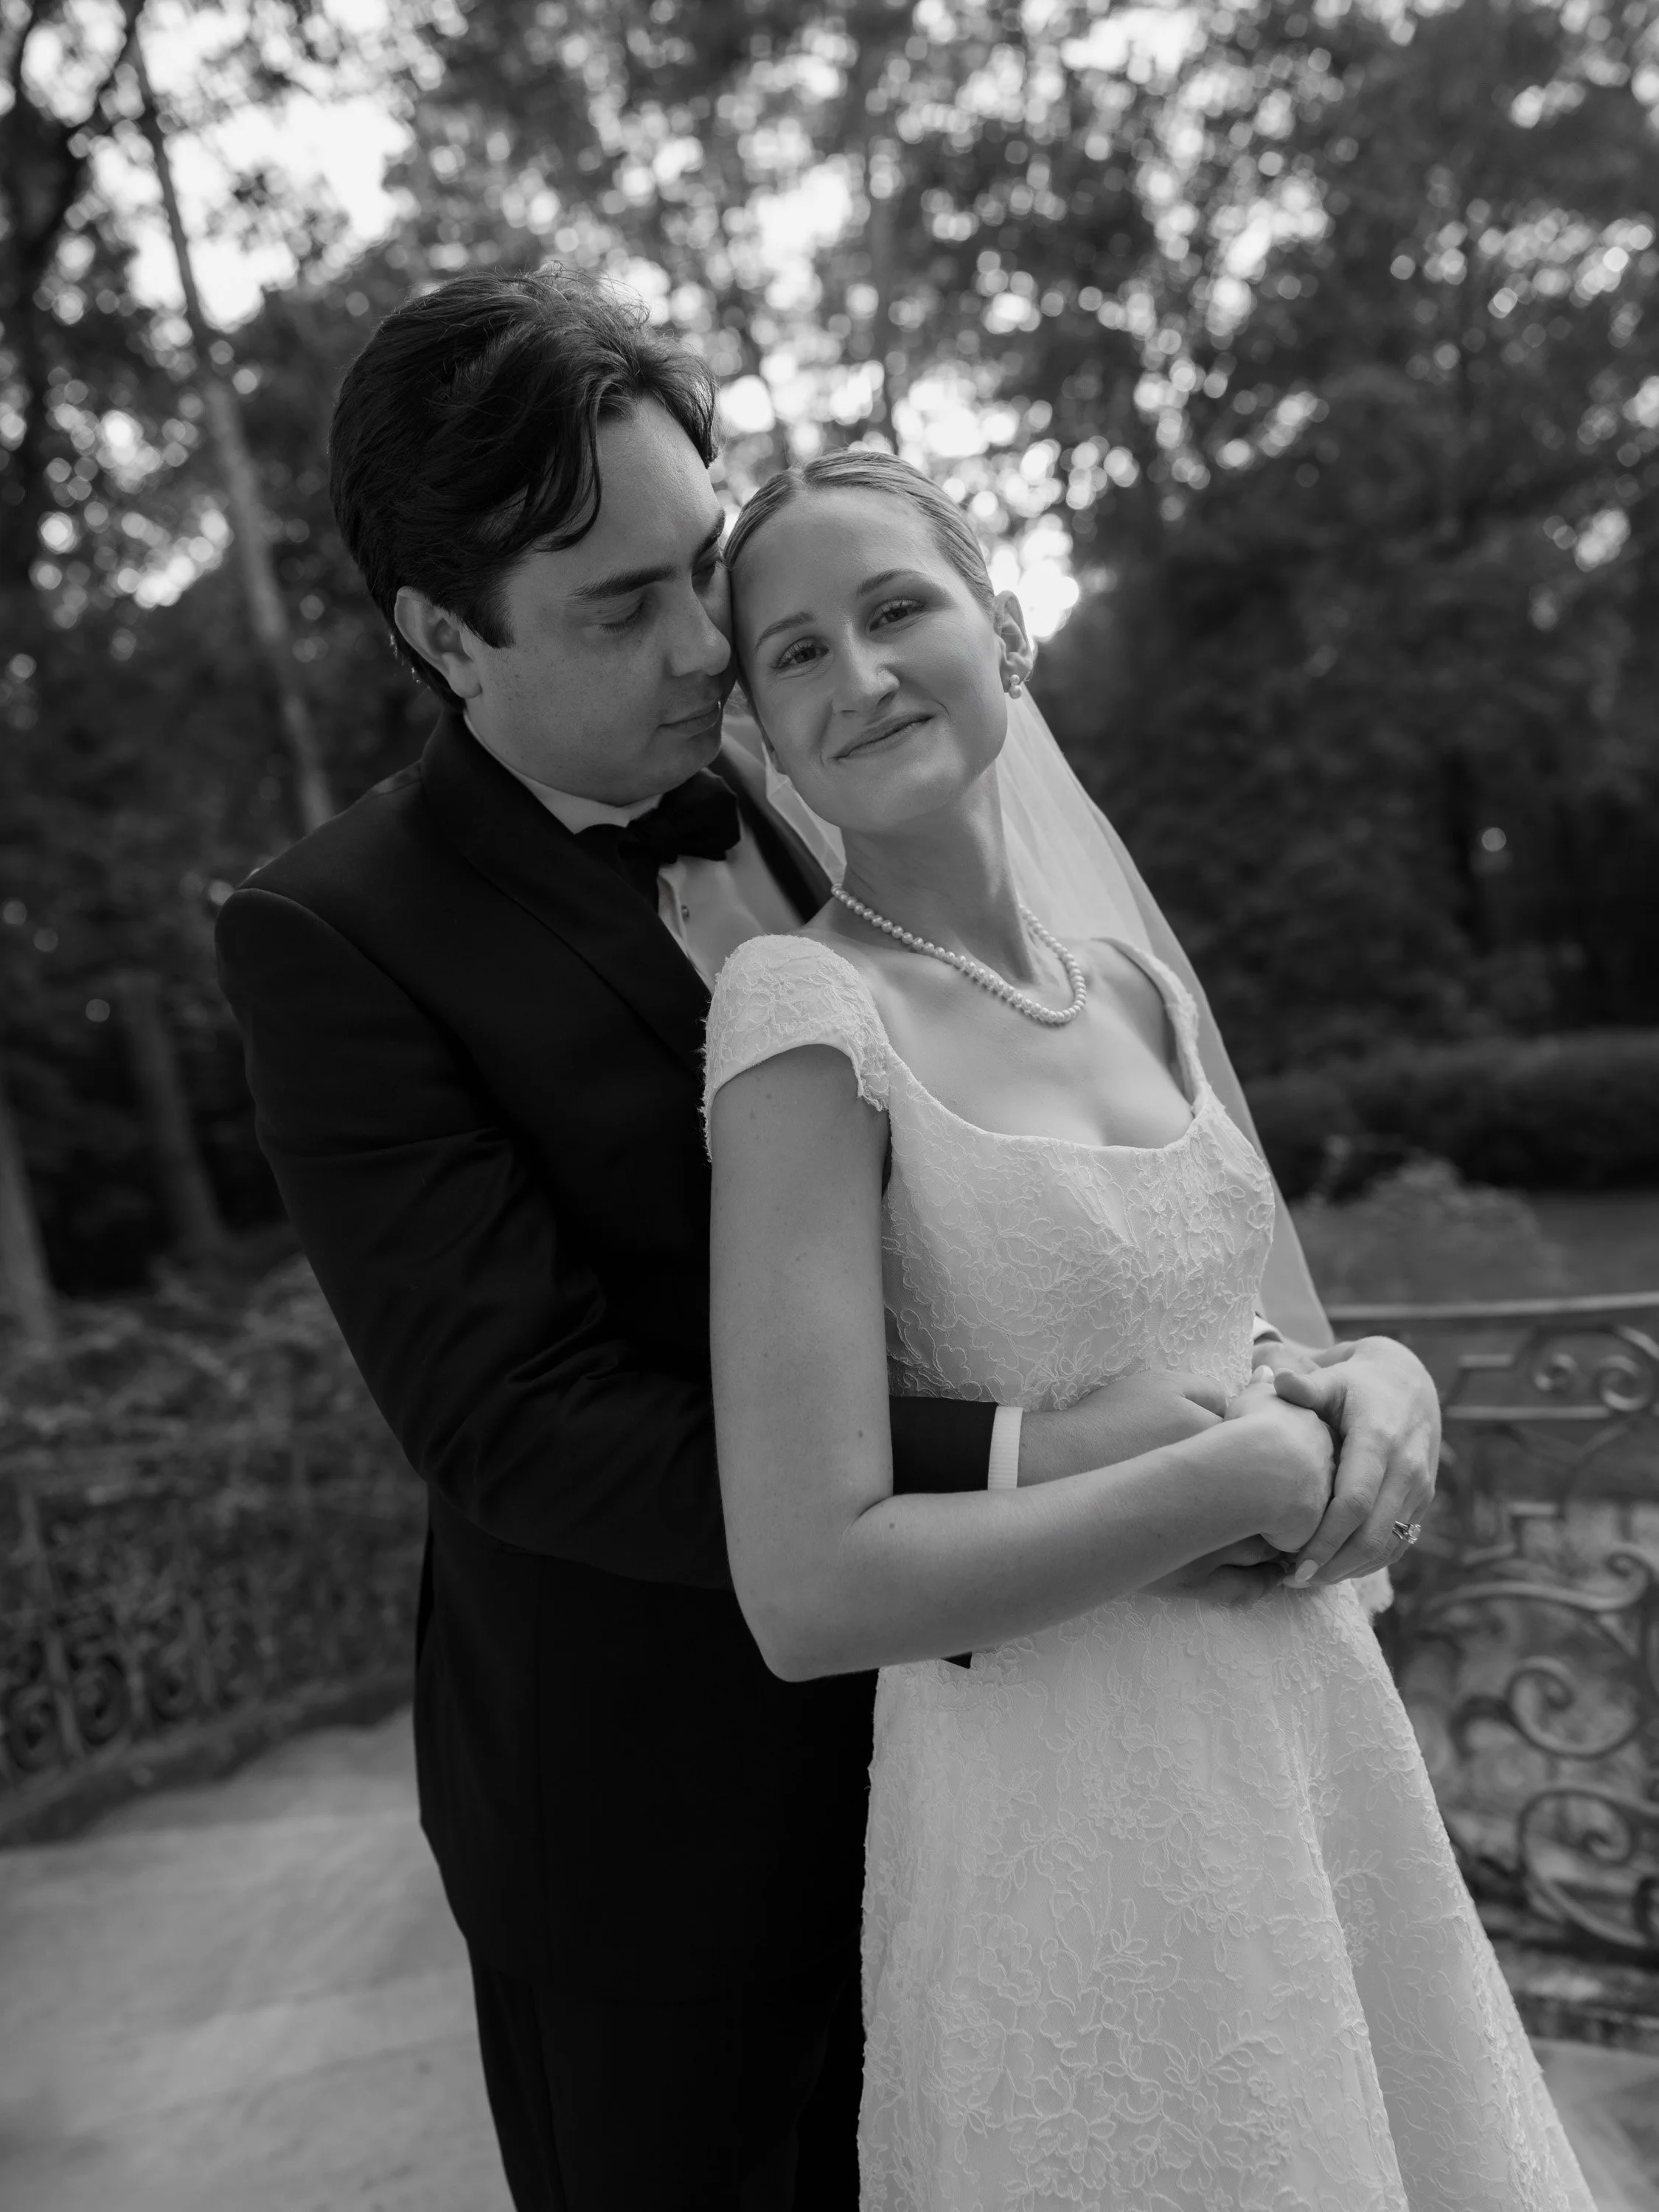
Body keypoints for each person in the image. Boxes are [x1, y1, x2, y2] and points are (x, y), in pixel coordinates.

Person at [217, 265, 1439, 2212]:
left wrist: (1325, 1375)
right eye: (622, 608)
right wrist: (1059, 1457)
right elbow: (516, 1419)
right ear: (447, 635)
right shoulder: (334, 934)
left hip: (1018, 1763)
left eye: (702, 567)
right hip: (659, 1833)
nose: (708, 645)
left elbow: (1071, 1189)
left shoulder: (809, 768)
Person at [704, 449, 1594, 2210]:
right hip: (1061, 1808)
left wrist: (1389, 1383)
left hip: (1316, 1758)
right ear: (758, 729)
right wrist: (1222, 1482)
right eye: (794, 653)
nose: (858, 674)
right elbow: (809, 1591)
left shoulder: (1135, 986)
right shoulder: (801, 1013)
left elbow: (1289, 1343)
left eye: (897, 609)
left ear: (1007, 631)